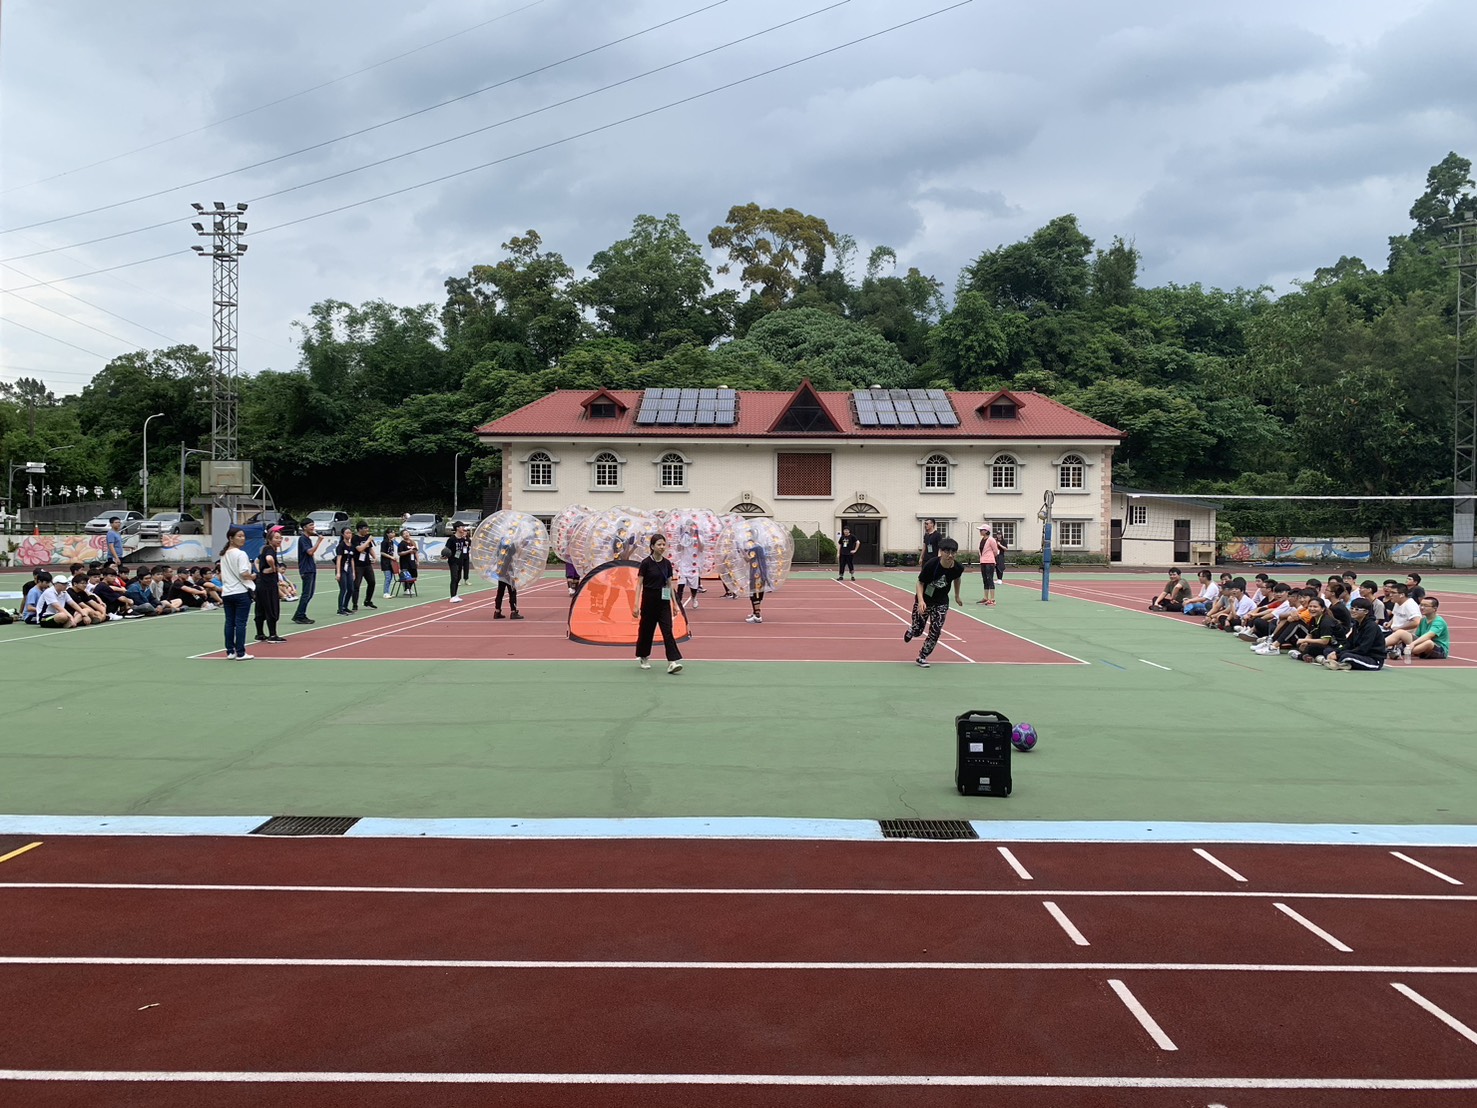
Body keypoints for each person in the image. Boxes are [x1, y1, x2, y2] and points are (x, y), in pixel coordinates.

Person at [904, 536, 964, 668]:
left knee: (936, 630)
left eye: (953, 552)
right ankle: (912, 629)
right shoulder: (931, 564)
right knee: (918, 630)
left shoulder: (958, 567)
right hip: (925, 600)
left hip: (941, 602)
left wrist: (957, 596)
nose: (950, 555)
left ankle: (922, 656)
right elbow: (920, 583)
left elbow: (957, 579)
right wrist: (921, 601)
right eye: (947, 552)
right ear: (941, 552)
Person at [634, 534, 684, 674]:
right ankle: (644, 656)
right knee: (646, 630)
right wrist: (636, 604)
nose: (662, 547)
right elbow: (639, 584)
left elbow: (669, 584)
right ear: (652, 547)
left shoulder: (667, 564)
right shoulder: (646, 563)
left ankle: (672, 662)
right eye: (659, 544)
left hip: (664, 601)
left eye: (663, 544)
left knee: (667, 631)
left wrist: (674, 604)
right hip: (649, 600)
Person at [219, 525, 256, 659]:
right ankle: (240, 652)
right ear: (231, 538)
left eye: (243, 536)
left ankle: (230, 651)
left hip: (227, 592)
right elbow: (244, 573)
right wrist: (253, 576)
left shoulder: (223, 555)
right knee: (240, 623)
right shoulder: (241, 554)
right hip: (240, 592)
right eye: (239, 536)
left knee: (230, 622)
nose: (242, 538)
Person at [1322, 596, 1385, 672]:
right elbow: (1348, 644)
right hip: (1359, 655)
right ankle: (1338, 662)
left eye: (1357, 609)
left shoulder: (1371, 626)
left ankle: (1335, 662)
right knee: (1328, 650)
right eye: (1352, 608)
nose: (1353, 611)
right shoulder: (1356, 624)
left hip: (1373, 660)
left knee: (1346, 656)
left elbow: (1363, 649)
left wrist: (1338, 655)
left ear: (1366, 612)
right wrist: (1336, 651)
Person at [253, 528, 287, 644]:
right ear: (269, 539)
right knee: (272, 608)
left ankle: (260, 633)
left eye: (280, 538)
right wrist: (273, 568)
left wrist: (261, 571)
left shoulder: (265, 549)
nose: (279, 540)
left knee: (260, 609)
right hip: (268, 585)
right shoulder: (270, 550)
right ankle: (272, 634)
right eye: (276, 538)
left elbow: (257, 561)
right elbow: (269, 558)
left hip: (261, 583)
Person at [292, 518, 324, 624]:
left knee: (310, 594)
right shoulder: (303, 539)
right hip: (306, 569)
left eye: (313, 525)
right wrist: (318, 541)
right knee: (306, 594)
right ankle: (300, 616)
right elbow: (309, 552)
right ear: (304, 527)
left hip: (311, 568)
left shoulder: (308, 539)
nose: (313, 527)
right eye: (310, 525)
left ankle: (299, 614)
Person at [443, 521, 472, 604]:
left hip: (460, 560)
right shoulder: (451, 539)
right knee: (454, 577)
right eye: (462, 527)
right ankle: (452, 596)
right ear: (457, 528)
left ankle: (455, 595)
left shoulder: (462, 539)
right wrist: (444, 555)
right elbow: (446, 549)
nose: (463, 528)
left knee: (458, 578)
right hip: (453, 561)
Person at [352, 521, 378, 610]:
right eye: (365, 528)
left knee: (372, 582)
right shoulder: (355, 538)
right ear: (359, 529)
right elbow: (359, 549)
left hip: (367, 564)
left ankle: (368, 600)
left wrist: (375, 557)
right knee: (356, 585)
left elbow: (369, 549)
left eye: (367, 528)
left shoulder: (367, 537)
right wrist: (368, 541)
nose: (367, 530)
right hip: (358, 565)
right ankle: (355, 604)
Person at [334, 526, 356, 615]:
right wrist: (338, 572)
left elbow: (352, 560)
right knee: (343, 589)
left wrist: (353, 572)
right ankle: (340, 609)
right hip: (342, 569)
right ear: (343, 534)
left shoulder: (352, 546)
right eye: (347, 533)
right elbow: (338, 559)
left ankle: (345, 606)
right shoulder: (341, 546)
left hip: (349, 569)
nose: (349, 535)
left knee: (351, 589)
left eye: (350, 533)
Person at [977, 525, 1000, 606]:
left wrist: (990, 557)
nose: (980, 531)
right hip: (983, 561)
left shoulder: (991, 540)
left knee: (990, 579)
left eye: (982, 530)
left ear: (986, 531)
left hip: (989, 562)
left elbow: (995, 551)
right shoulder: (982, 539)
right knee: (985, 579)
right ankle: (985, 597)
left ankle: (992, 599)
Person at [397, 528, 421, 597]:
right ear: (402, 536)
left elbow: (416, 552)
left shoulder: (412, 542)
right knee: (406, 576)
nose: (406, 534)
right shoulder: (401, 544)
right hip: (405, 562)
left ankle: (409, 587)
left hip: (412, 561)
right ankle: (406, 589)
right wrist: (408, 551)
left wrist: (417, 561)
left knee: (414, 575)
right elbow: (399, 553)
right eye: (404, 534)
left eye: (407, 533)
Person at [380, 528, 401, 600]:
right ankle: (385, 593)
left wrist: (394, 557)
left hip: (391, 562)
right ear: (387, 534)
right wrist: (390, 557)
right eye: (391, 533)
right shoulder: (384, 542)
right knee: (388, 577)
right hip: (385, 562)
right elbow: (382, 552)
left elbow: (392, 551)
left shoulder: (391, 542)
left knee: (391, 577)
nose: (393, 534)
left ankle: (388, 592)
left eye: (393, 532)